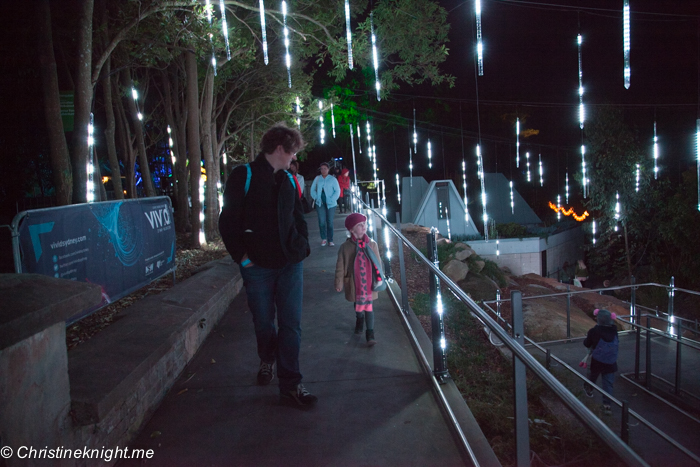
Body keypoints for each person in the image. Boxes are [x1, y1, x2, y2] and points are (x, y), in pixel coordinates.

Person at [218, 122, 317, 408]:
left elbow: (299, 217)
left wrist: (303, 246)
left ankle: (291, 384)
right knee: (263, 322)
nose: (294, 158)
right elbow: (228, 222)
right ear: (278, 149)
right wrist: (243, 257)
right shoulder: (243, 176)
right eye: (292, 153)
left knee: (291, 325)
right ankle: (267, 357)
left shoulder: (288, 180)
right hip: (257, 266)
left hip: (289, 264)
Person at [334, 213, 385, 346]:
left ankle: (370, 333)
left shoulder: (372, 244)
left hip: (369, 283)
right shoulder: (345, 247)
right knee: (358, 304)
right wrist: (339, 282)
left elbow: (377, 264)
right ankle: (359, 319)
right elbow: (340, 266)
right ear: (351, 230)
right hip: (355, 282)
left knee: (369, 307)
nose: (364, 227)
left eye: (365, 224)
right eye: (359, 225)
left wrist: (379, 279)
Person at [583, 308, 619, 415]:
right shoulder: (614, 330)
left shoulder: (594, 331)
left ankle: (589, 389)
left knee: (593, 375)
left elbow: (587, 343)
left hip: (597, 360)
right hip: (611, 361)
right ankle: (607, 405)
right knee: (608, 383)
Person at [310, 162, 340, 246]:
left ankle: (330, 239)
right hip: (320, 202)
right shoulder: (317, 178)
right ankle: (323, 238)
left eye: (325, 168)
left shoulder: (333, 179)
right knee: (321, 221)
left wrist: (332, 199)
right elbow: (312, 189)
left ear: (328, 169)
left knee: (329, 221)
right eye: (322, 169)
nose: (323, 170)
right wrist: (316, 197)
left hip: (331, 203)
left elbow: (337, 191)